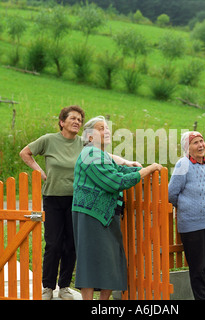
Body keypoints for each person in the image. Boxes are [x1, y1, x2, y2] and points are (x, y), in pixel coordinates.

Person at [19, 106, 140, 300]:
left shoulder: (83, 144)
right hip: (54, 196)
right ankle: (48, 287)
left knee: (73, 244)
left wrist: (126, 162)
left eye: (80, 120)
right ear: (62, 121)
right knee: (53, 243)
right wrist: (41, 173)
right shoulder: (49, 140)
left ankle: (64, 286)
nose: (77, 122)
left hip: (77, 200)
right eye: (73, 118)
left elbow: (106, 157)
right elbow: (25, 153)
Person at [72, 116, 163, 300]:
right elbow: (115, 181)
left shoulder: (101, 155)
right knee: (90, 263)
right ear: (90, 137)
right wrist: (149, 169)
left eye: (107, 128)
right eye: (100, 128)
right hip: (91, 215)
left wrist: (138, 170)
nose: (106, 131)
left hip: (106, 214)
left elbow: (118, 171)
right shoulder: (89, 155)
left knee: (110, 263)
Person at [168, 131, 205, 300]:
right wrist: (186, 207)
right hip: (192, 226)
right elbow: (171, 194)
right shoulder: (183, 164)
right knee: (198, 269)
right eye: (195, 142)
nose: (201, 145)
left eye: (202, 141)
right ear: (187, 147)